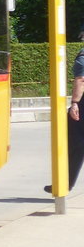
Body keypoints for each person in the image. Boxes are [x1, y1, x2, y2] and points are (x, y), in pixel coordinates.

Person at [55, 28, 84, 195]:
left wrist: (74, 103)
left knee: (73, 144)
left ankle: (64, 182)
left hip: (82, 104)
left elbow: (81, 79)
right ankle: (65, 182)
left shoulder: (82, 57)